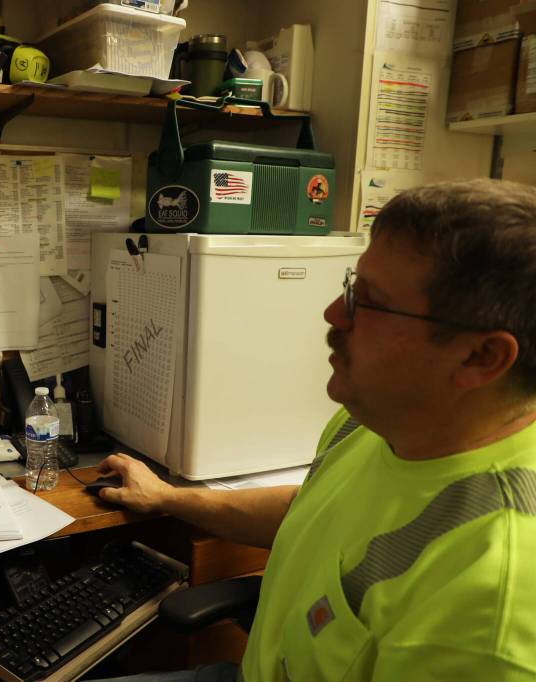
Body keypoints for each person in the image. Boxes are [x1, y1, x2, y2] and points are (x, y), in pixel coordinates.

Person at [97, 179, 536, 681]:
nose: (332, 313)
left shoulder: (491, 598)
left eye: (369, 303)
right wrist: (170, 498)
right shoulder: (376, 419)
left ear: (482, 357)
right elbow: (313, 510)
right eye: (352, 286)